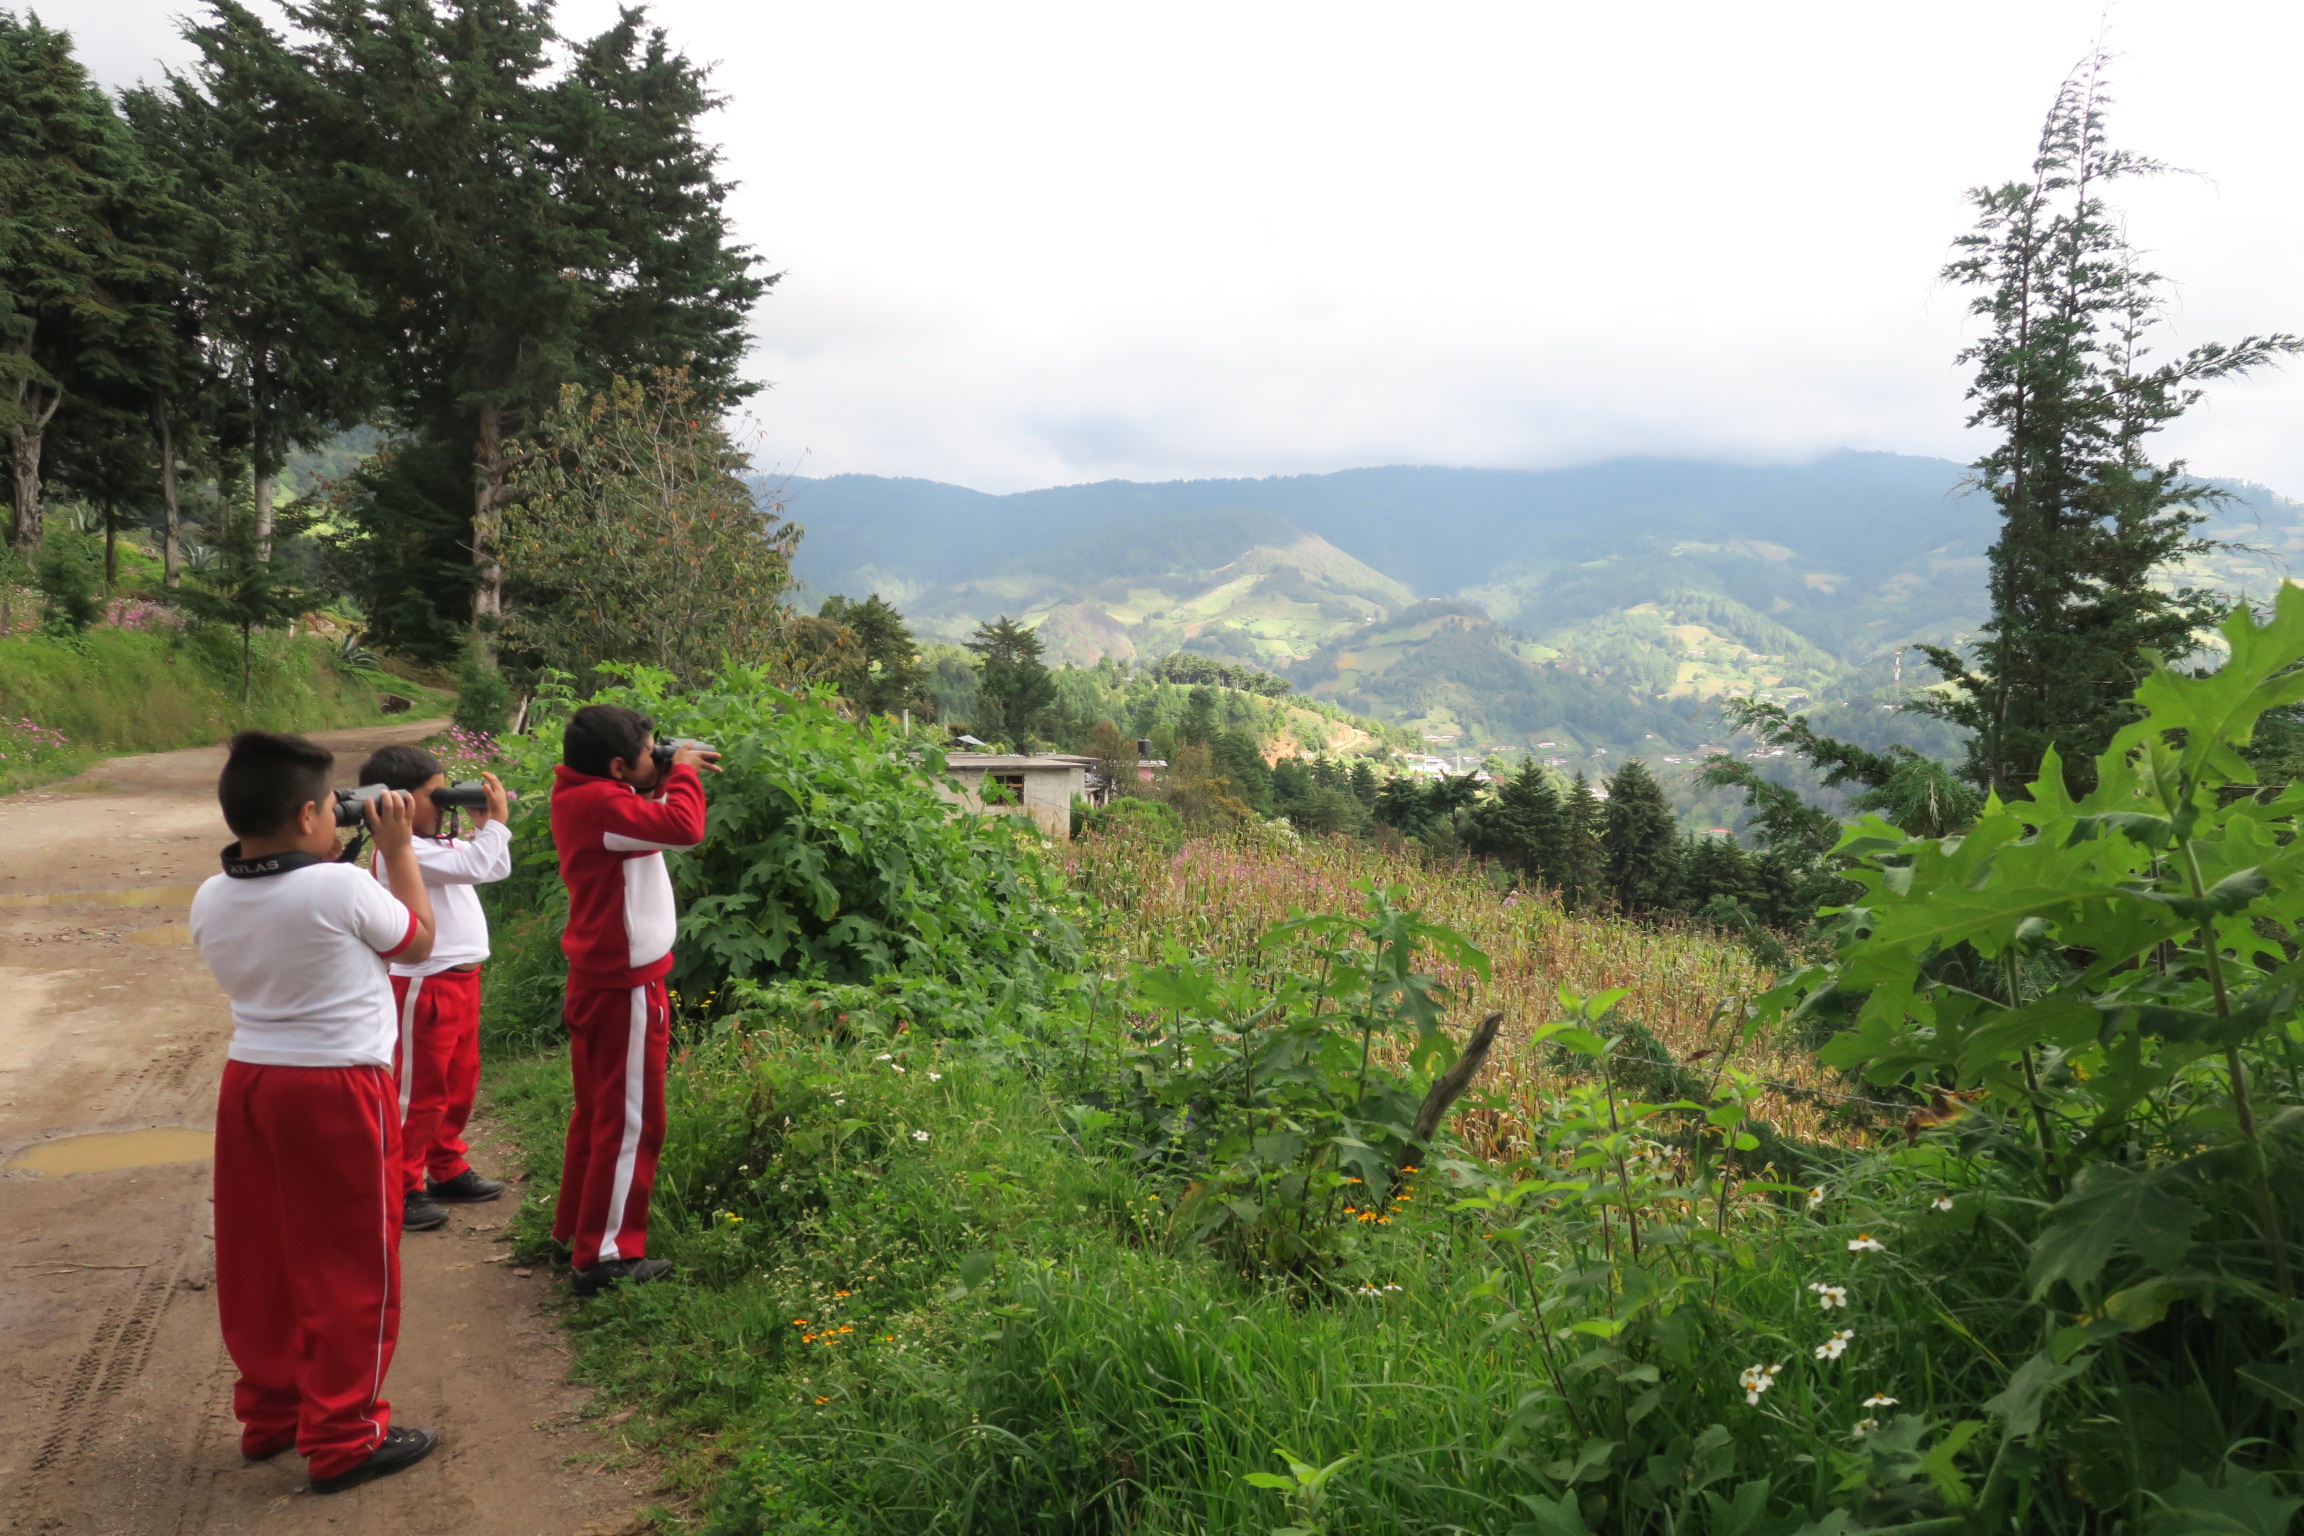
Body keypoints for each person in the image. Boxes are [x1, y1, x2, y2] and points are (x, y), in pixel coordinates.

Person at [187, 731, 441, 1494]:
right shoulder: (339, 887)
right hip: (336, 1088)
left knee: (263, 1255)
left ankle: (273, 1415)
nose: (341, 819)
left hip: (252, 1082)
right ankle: (343, 1435)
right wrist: (399, 850)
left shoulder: (212, 893)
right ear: (305, 816)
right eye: (334, 809)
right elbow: (419, 943)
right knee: (351, 1262)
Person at [549, 704, 716, 1296]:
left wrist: (661, 770)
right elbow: (685, 828)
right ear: (618, 766)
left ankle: (577, 1232)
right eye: (651, 751)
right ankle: (607, 1256)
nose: (660, 756)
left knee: (597, 1114)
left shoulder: (582, 795)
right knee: (630, 1122)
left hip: (600, 976)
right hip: (626, 984)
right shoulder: (601, 805)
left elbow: (649, 812)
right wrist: (686, 771)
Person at [356, 745, 514, 1233]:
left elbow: (494, 867)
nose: (442, 803)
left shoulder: (438, 845)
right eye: (434, 794)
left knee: (459, 1082)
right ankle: (401, 1186)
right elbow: (475, 866)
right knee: (419, 1092)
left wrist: (483, 826)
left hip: (463, 978)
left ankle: (446, 1166)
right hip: (425, 984)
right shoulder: (401, 852)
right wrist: (495, 824)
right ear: (395, 803)